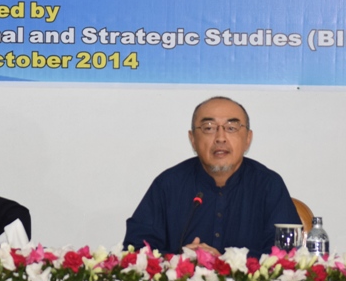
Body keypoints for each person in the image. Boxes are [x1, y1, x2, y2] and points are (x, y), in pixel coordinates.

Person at [123, 96, 301, 255]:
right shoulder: (168, 184)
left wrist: (225, 262)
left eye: (231, 128)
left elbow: (288, 254)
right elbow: (136, 249)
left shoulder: (268, 185)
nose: (220, 138)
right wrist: (179, 261)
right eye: (208, 128)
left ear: (248, 138)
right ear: (193, 139)